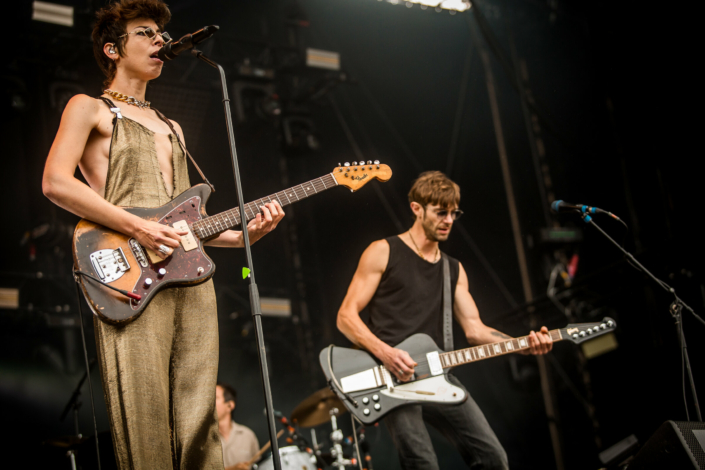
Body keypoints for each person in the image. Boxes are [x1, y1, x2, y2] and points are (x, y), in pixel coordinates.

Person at [42, 1, 284, 468]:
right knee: (145, 410)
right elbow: (55, 182)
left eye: (160, 34)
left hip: (189, 279)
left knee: (199, 413)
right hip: (130, 274)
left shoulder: (172, 127)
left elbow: (184, 225)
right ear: (113, 49)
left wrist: (245, 237)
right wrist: (136, 226)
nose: (160, 42)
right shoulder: (89, 108)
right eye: (146, 34)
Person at [336, 171, 553, 470]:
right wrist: (387, 354)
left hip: (438, 374)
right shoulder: (383, 251)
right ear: (416, 208)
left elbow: (475, 330)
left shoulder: (453, 269)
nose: (449, 220)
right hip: (391, 378)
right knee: (422, 461)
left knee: (493, 459)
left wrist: (521, 345)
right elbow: (346, 317)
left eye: (454, 213)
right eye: (441, 212)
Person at [216, 383, 260, 470]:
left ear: (229, 405)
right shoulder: (204, 439)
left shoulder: (248, 435)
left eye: (215, 398)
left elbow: (259, 466)